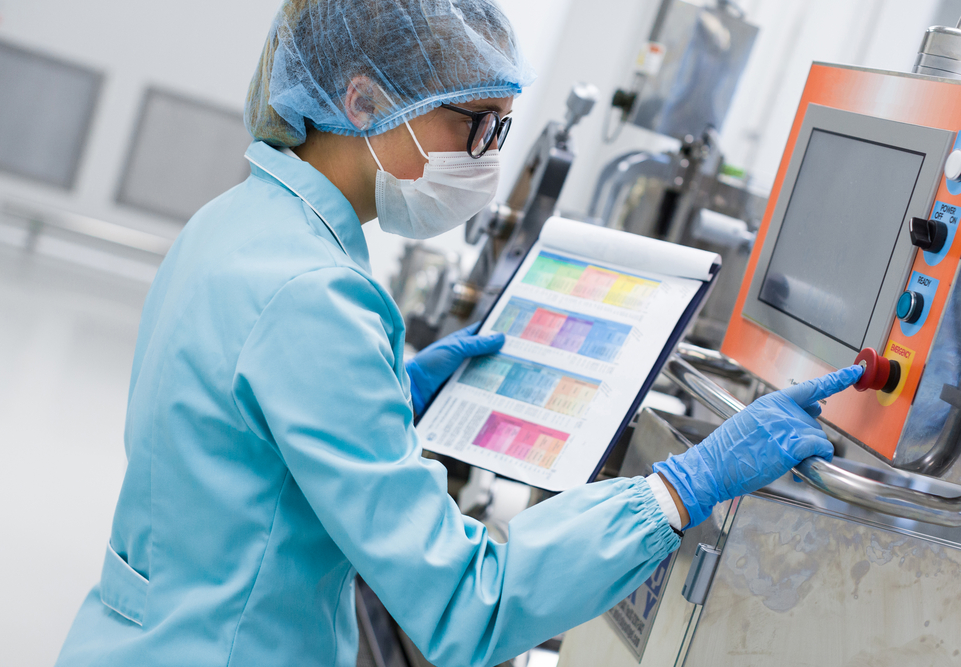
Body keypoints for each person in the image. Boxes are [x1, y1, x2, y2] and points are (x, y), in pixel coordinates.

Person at [54, 1, 862, 666]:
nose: (487, 161)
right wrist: (678, 490)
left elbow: (221, 440)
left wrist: (382, 400)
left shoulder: (233, 223)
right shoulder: (318, 296)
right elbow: (466, 607)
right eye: (478, 127)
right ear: (366, 101)